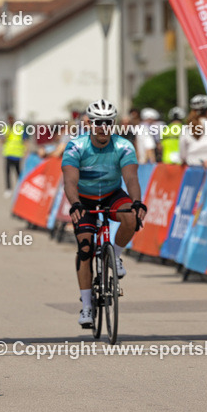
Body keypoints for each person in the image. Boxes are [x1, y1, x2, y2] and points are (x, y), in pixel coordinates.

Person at [62, 99, 147, 329]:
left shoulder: (123, 146)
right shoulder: (76, 146)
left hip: (111, 194)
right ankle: (87, 305)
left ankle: (115, 256)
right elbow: (70, 181)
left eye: (108, 122)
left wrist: (137, 201)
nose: (103, 127)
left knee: (131, 216)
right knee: (86, 248)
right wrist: (75, 204)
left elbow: (131, 178)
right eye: (98, 123)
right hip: (85, 199)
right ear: (89, 123)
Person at [2, 113, 27, 198]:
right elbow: (2, 141)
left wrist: (26, 151)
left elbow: (25, 140)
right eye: (9, 119)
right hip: (8, 153)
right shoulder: (5, 129)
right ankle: (8, 189)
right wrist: (6, 136)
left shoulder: (19, 128)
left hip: (17, 154)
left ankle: (21, 188)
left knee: (18, 172)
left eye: (12, 119)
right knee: (7, 173)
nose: (10, 121)